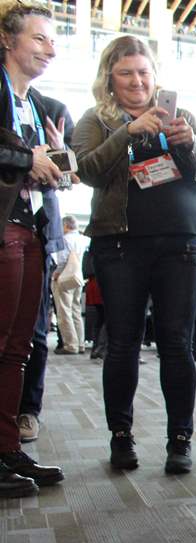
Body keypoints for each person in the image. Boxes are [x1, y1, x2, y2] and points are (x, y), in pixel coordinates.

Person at [72, 35, 196, 475]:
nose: (137, 81)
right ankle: (121, 437)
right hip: (119, 245)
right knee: (122, 343)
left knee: (178, 344)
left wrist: (190, 142)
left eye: (144, 72)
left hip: (183, 244)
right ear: (110, 79)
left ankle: (181, 440)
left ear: (155, 76)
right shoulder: (96, 120)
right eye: (126, 73)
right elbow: (86, 169)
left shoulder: (183, 115)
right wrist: (127, 132)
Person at [0, 0, 69, 497]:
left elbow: (53, 164)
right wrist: (30, 158)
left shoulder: (41, 105)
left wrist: (59, 163)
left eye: (52, 40)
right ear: (8, 40)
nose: (50, 47)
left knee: (20, 348)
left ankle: (6, 449)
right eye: (39, 38)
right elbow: (20, 156)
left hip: (31, 229)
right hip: (3, 225)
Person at [52, 215, 88, 355]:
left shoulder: (65, 240)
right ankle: (80, 343)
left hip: (65, 278)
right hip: (78, 278)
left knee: (64, 311)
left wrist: (56, 274)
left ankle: (70, 345)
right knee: (76, 310)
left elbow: (62, 259)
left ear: (66, 226)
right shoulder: (82, 239)